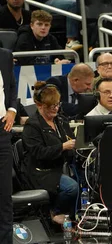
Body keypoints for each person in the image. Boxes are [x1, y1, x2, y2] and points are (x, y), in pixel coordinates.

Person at [22, 82, 78, 226]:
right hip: (41, 171)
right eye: (50, 106)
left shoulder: (60, 121)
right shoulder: (32, 125)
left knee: (87, 179)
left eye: (57, 104)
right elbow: (38, 153)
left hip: (59, 167)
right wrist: (62, 147)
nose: (55, 109)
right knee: (71, 188)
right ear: (39, 105)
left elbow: (70, 139)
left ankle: (77, 216)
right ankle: (54, 212)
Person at [0, 47, 30, 244]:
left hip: (1, 129)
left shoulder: (4, 55)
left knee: (4, 192)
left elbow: (10, 85)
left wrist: (12, 108)